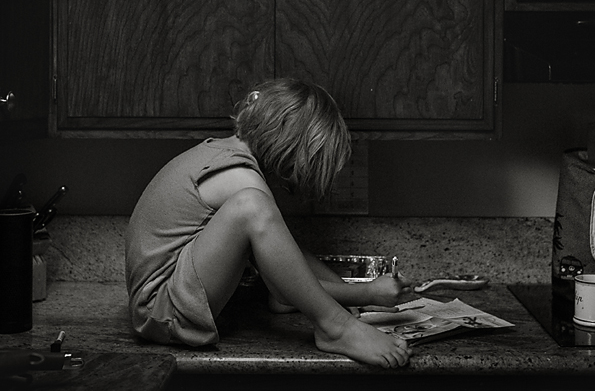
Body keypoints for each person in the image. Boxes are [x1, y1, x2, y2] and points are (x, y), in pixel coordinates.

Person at [125, 78, 414, 368]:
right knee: (254, 206)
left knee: (263, 218)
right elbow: (281, 288)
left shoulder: (223, 155)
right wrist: (365, 293)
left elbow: (286, 258)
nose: (291, 178)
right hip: (163, 313)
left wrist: (348, 295)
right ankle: (334, 329)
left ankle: (337, 319)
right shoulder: (242, 180)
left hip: (160, 305)